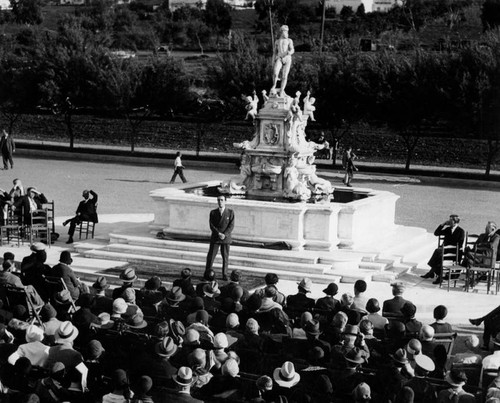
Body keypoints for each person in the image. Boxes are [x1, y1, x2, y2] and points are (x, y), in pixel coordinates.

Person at [421, 214, 465, 284]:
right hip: (444, 250)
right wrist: (443, 224)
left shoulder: (461, 231)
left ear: (455, 222)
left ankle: (432, 273)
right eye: (449, 220)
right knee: (438, 255)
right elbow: (436, 233)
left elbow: (460, 244)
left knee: (438, 252)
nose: (449, 222)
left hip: (454, 252)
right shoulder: (447, 229)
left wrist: (448, 248)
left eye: (451, 221)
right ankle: (438, 275)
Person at [205, 195, 235, 281]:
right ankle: (207, 273)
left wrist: (224, 234)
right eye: (218, 200)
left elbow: (231, 225)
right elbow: (211, 225)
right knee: (211, 256)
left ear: (225, 201)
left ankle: (225, 274)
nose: (220, 202)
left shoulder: (230, 212)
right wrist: (218, 233)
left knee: (225, 257)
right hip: (216, 237)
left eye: (222, 200)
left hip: (225, 238)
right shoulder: (213, 212)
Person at [270, 25, 294, 97]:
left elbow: (292, 49)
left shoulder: (289, 40)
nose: (286, 32)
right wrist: (272, 61)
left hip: (287, 58)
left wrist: (290, 52)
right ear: (282, 31)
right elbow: (274, 52)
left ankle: (282, 90)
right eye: (285, 31)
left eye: (286, 31)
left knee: (284, 76)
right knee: (275, 72)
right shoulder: (277, 41)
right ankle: (274, 85)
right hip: (279, 58)